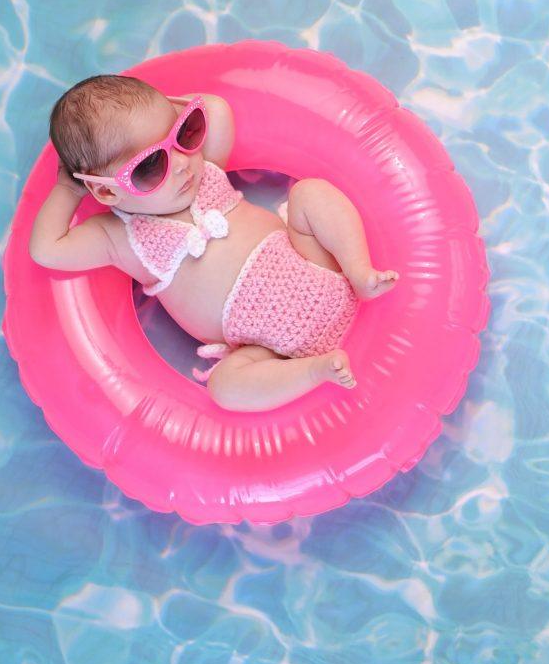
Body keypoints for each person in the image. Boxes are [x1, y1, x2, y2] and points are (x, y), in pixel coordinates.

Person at [28, 75, 399, 412]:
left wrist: (168, 114)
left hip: (316, 263)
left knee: (311, 194)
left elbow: (216, 109)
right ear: (106, 191)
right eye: (149, 166)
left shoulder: (206, 171)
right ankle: (314, 371)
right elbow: (47, 249)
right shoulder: (118, 238)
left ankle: (359, 271)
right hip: (269, 350)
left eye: (182, 136)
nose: (179, 165)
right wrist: (67, 188)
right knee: (224, 387)